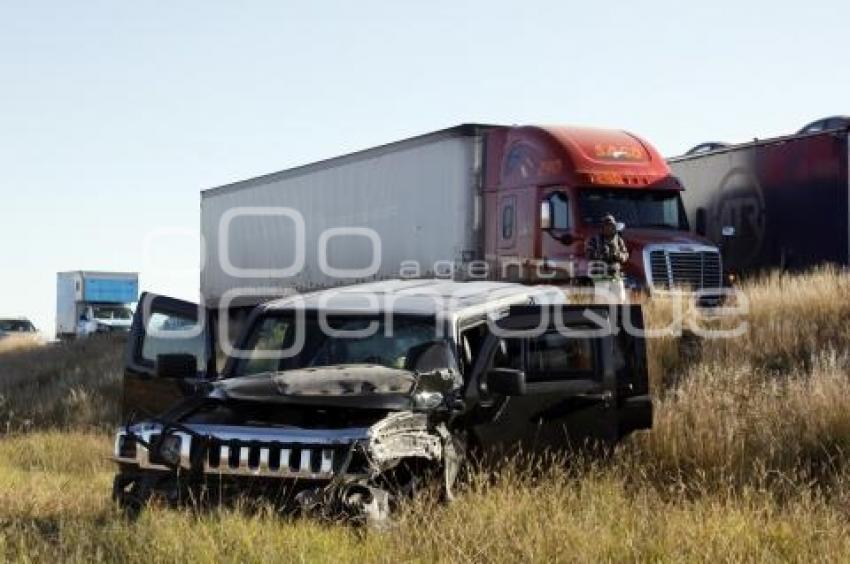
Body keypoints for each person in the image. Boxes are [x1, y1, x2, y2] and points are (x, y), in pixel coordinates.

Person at [585, 214, 629, 302]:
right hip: (600, 277)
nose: (609, 228)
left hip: (615, 276)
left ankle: (618, 316)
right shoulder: (594, 240)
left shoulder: (618, 240)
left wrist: (618, 255)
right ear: (602, 227)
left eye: (611, 225)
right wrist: (601, 254)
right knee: (601, 302)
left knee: (620, 300)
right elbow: (589, 255)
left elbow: (625, 255)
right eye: (606, 225)